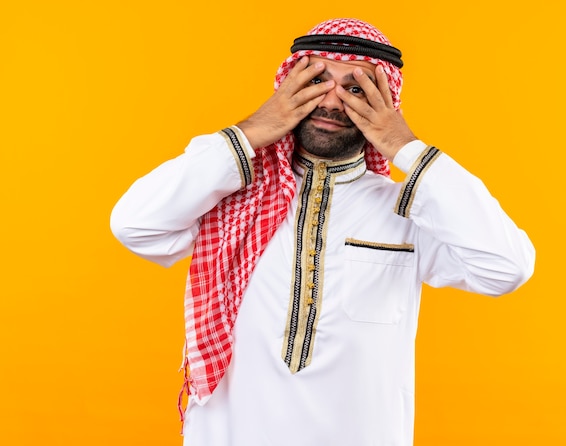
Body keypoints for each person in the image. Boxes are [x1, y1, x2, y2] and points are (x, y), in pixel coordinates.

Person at [110, 17, 535, 446]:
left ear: (385, 102)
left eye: (356, 89)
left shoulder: (409, 211)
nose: (331, 102)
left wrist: (408, 148)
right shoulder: (231, 197)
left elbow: (507, 268)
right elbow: (135, 225)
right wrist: (253, 130)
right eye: (316, 80)